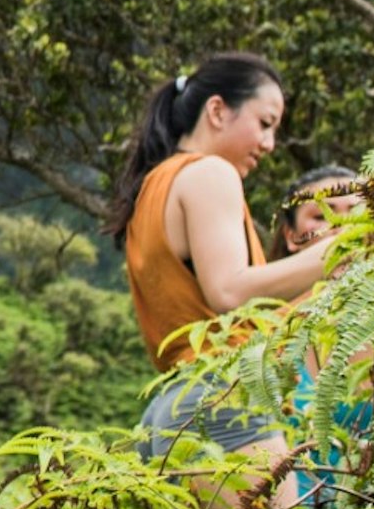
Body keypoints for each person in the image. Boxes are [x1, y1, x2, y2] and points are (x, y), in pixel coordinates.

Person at [113, 57, 342, 474]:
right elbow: (230, 291)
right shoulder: (210, 173)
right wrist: (339, 250)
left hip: (171, 410)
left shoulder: (153, 185)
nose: (270, 143)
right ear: (217, 110)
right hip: (224, 400)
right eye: (265, 123)